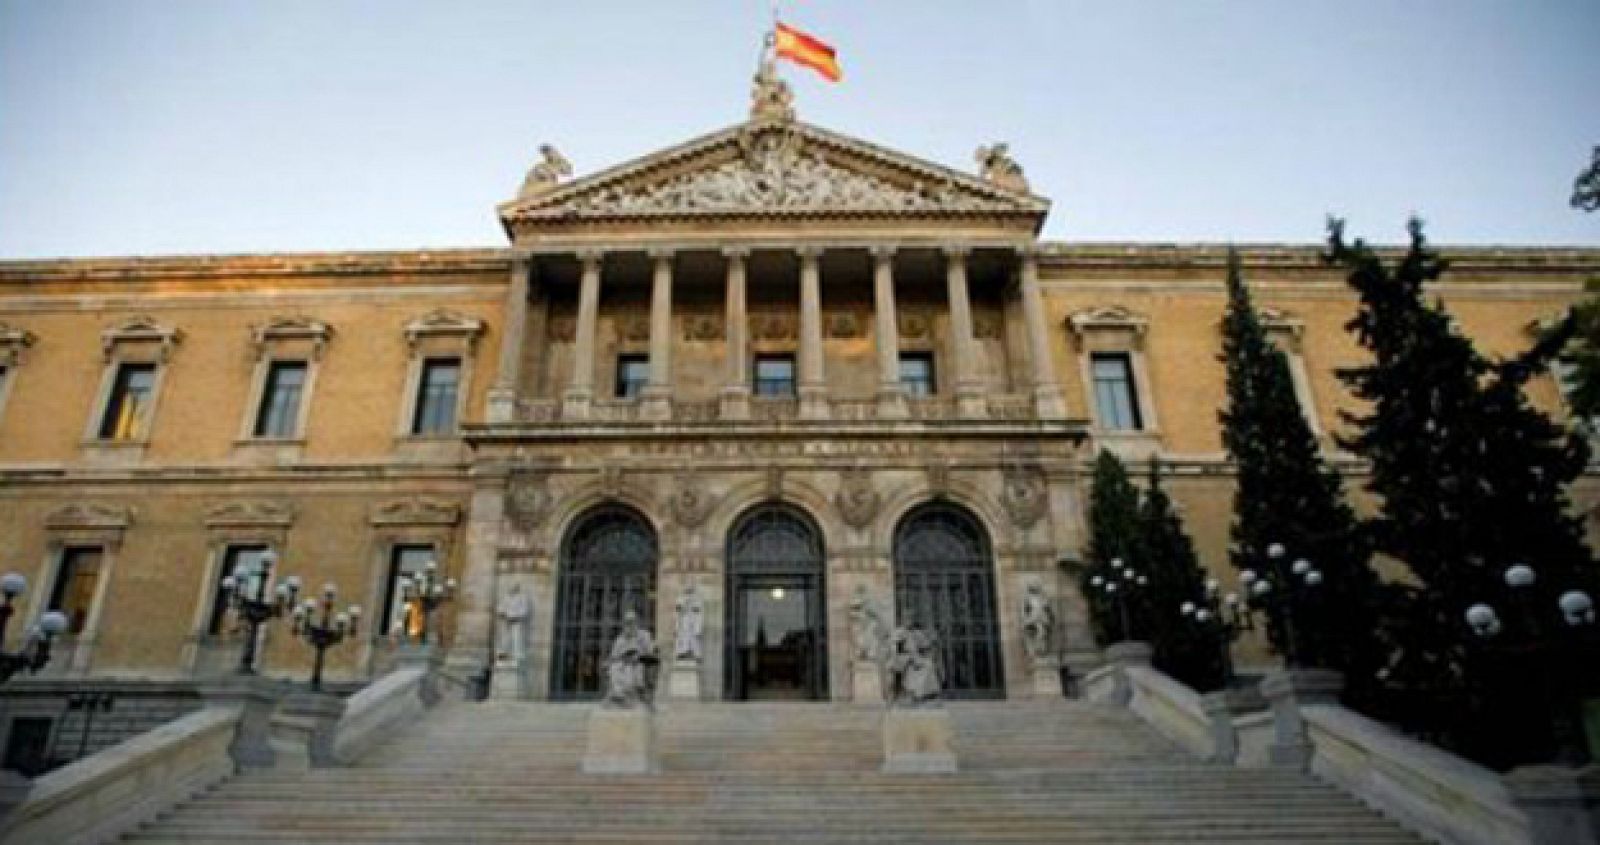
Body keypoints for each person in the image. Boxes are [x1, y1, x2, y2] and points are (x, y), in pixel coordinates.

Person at [603, 610, 658, 708]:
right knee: (615, 668)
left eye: (632, 621)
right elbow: (613, 655)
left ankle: (627, 695)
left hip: (640, 662)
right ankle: (619, 694)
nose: (630, 624)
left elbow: (651, 652)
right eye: (628, 622)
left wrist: (639, 655)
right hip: (623, 663)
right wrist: (613, 660)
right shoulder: (620, 638)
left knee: (631, 669)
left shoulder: (645, 635)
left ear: (636, 622)